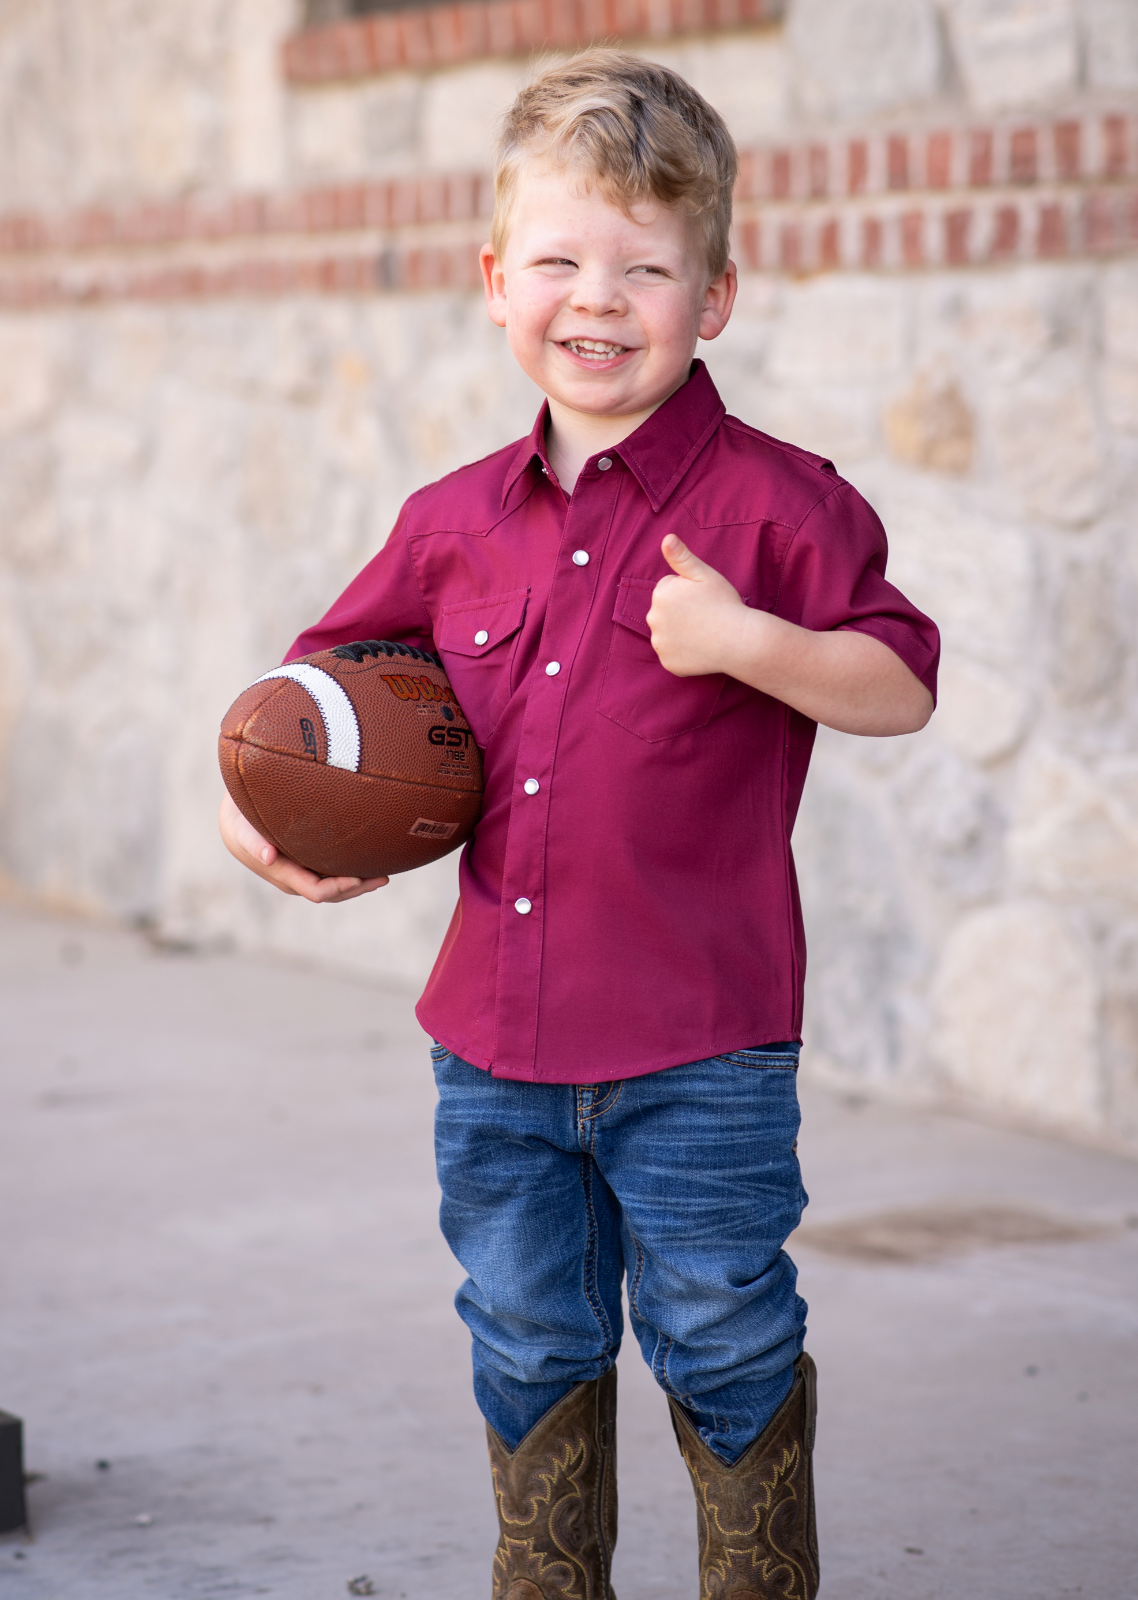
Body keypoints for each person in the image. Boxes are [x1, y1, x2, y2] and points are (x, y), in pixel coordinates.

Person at [220, 49, 938, 1600]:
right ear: (495, 281)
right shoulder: (449, 524)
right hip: (490, 1048)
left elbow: (896, 689)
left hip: (700, 1047)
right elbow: (312, 702)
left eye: (644, 266)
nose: (594, 299)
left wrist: (755, 646)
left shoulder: (777, 511)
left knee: (722, 1328)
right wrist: (263, 824)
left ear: (716, 296)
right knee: (527, 1330)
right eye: (555, 259)